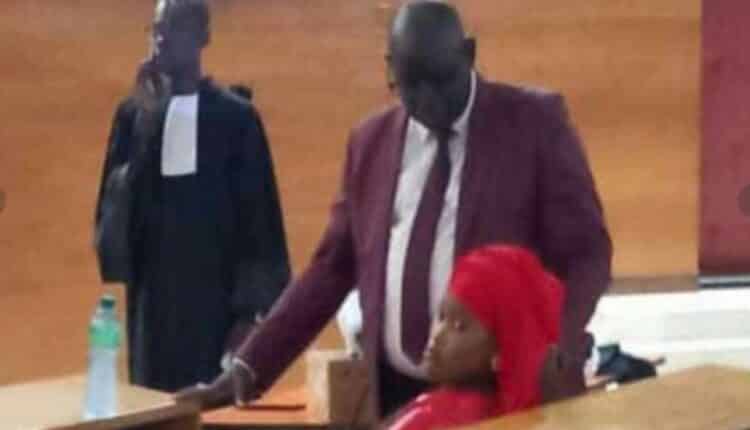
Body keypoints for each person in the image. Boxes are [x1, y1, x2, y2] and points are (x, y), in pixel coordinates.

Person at [177, 0, 611, 416]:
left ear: (469, 53)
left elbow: (587, 252)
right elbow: (330, 269)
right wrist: (248, 367)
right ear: (390, 69)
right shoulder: (370, 143)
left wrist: (558, 341)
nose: (428, 101)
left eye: (440, 81)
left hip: (506, 393)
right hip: (395, 393)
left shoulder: (533, 124)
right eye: (410, 86)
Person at [94, 0, 290, 392]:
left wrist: (249, 317)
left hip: (219, 318)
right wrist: (147, 123)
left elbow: (260, 225)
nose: (161, 39)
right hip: (153, 320)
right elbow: (114, 224)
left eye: (174, 28)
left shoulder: (235, 119)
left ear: (203, 36)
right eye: (156, 29)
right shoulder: (133, 117)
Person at [386, 245, 564, 430]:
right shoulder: (517, 413)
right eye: (442, 317)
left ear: (501, 353)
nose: (438, 336)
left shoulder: (432, 419)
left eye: (459, 327)